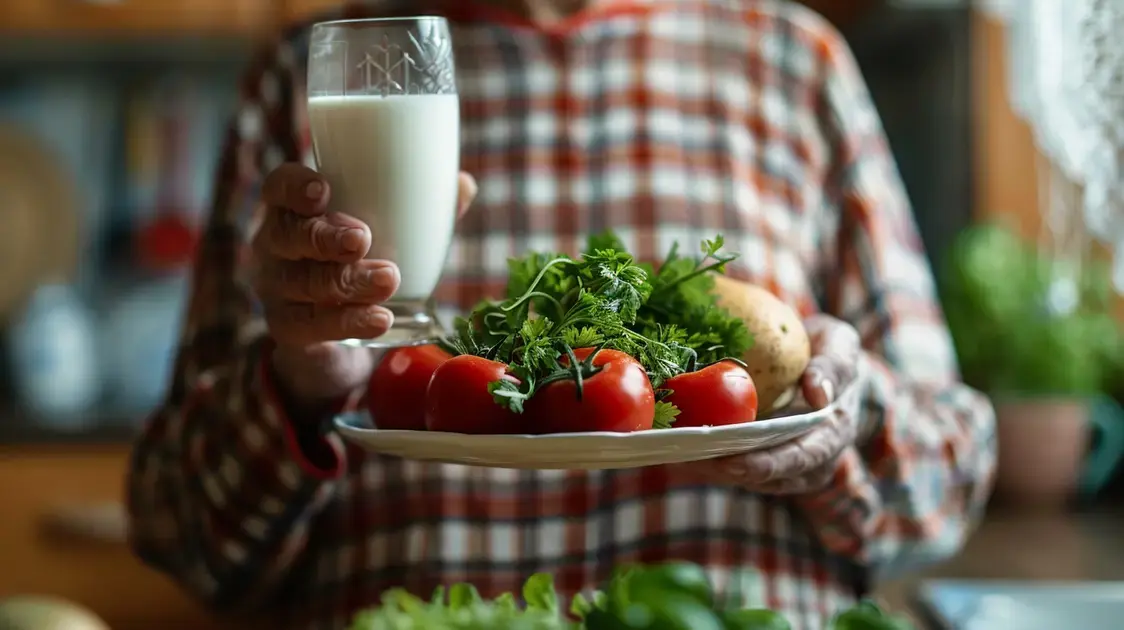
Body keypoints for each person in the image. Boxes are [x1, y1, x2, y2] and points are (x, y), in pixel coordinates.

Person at [125, 0, 997, 628]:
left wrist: (843, 418)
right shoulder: (317, 71)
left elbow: (950, 482)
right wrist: (299, 383)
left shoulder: (795, 64)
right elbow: (181, 536)